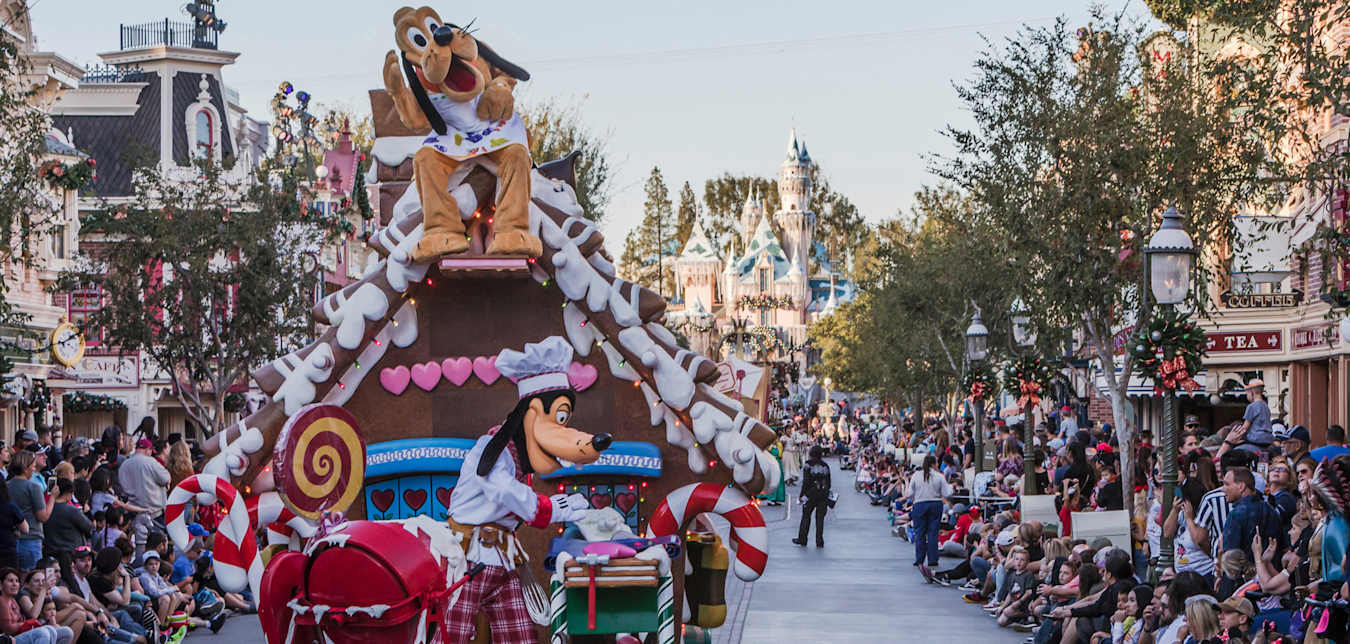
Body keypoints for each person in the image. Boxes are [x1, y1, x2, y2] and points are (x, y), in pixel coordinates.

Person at [1220, 467, 1287, 565]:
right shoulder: (1271, 510)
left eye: (1226, 484)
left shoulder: (1236, 515)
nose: (1223, 489)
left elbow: (1230, 560)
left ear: (1241, 486)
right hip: (1271, 575)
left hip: (1244, 578)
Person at [910, 454, 954, 580]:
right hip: (935, 504)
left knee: (920, 532)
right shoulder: (939, 476)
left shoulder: (916, 475)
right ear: (934, 464)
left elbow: (910, 493)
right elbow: (947, 493)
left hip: (919, 504)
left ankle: (919, 559)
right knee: (933, 532)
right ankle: (933, 559)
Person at [6, 452, 53, 571]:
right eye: (32, 466)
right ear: (26, 468)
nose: (33, 469)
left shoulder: (5, 486)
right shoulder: (33, 487)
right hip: (31, 538)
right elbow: (43, 516)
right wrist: (53, 497)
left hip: (10, 539)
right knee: (32, 579)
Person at [41, 479, 90, 593]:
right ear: (69, 493)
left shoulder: (47, 509)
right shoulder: (71, 510)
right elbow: (89, 527)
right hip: (70, 554)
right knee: (73, 585)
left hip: (50, 552)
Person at [792, 446, 831, 548]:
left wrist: (802, 495)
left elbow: (806, 482)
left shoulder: (808, 465)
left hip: (811, 494)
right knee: (820, 519)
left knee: (806, 516)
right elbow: (828, 483)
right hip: (823, 494)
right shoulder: (825, 466)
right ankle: (819, 541)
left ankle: (802, 539)